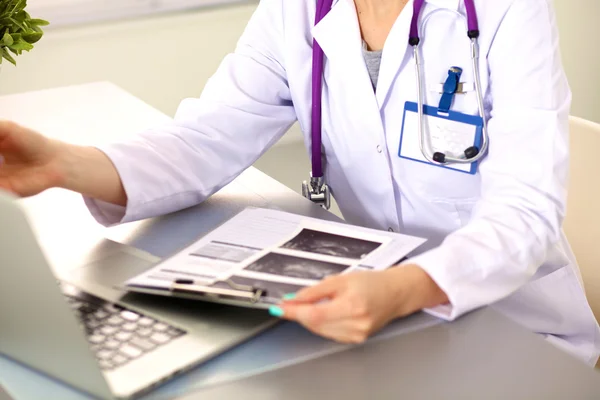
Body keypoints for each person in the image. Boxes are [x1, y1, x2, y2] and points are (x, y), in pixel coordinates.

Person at [1, 0, 599, 366]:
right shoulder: (298, 7)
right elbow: (207, 138)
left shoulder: (505, 8)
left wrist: (405, 288)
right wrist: (63, 163)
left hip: (509, 323)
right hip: (371, 310)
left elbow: (525, 208)